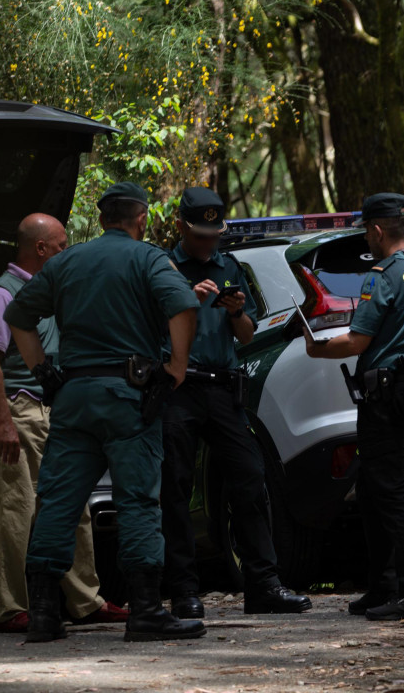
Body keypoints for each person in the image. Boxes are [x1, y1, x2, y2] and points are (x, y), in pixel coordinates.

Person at [4, 182, 205, 643]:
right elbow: (183, 306)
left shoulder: (66, 262)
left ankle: (44, 615)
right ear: (141, 219)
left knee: (58, 500)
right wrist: (176, 367)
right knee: (137, 500)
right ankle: (147, 611)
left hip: (74, 396)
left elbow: (18, 316)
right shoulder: (149, 258)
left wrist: (44, 373)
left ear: (100, 219)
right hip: (128, 398)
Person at [160, 187, 311, 618]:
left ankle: (263, 585)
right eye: (200, 235)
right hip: (179, 389)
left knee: (249, 478)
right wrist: (189, 300)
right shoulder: (164, 267)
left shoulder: (229, 266)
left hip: (224, 389)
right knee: (175, 487)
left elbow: (246, 334)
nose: (208, 243)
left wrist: (235, 311)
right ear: (181, 226)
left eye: (214, 235)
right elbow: (152, 326)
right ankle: (184, 591)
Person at [304, 193, 404, 622]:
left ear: (376, 230)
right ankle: (383, 587)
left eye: (366, 234)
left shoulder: (383, 277)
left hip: (386, 399)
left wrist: (316, 347)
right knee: (373, 490)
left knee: (391, 493)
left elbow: (357, 342)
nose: (366, 241)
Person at [0, 214, 128, 633]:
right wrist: (4, 423)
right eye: (61, 246)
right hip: (18, 410)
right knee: (13, 509)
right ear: (40, 249)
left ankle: (85, 600)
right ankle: (8, 607)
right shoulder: (2, 295)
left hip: (53, 412)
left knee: (70, 503)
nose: (67, 251)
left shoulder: (48, 290)